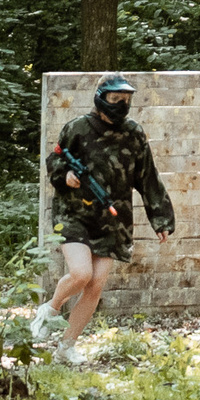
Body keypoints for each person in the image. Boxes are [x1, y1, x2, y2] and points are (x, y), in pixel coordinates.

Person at [30, 75, 174, 362]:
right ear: (100, 98)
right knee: (81, 274)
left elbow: (148, 178)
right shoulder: (78, 128)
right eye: (115, 99)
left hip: (112, 218)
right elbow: (55, 160)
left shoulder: (133, 134)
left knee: (95, 285)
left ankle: (66, 347)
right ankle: (50, 310)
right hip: (74, 213)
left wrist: (161, 218)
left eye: (126, 100)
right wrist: (66, 176)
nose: (121, 105)